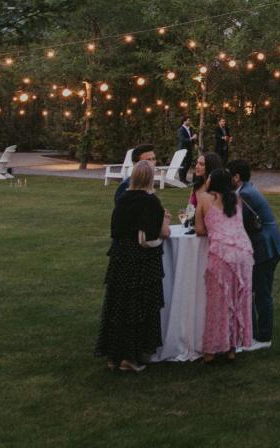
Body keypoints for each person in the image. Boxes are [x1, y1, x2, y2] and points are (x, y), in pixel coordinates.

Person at [96, 160, 170, 372]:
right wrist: (165, 218)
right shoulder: (150, 202)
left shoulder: (123, 199)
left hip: (120, 257)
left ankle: (114, 355)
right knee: (139, 307)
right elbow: (162, 233)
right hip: (141, 260)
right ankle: (131, 355)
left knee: (119, 305)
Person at [195, 168, 254, 363]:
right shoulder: (236, 200)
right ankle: (232, 348)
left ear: (213, 182)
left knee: (218, 304)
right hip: (243, 252)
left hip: (221, 254)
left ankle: (211, 351)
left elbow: (199, 229)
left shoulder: (204, 199)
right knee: (238, 301)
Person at [229, 159, 280, 349]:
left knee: (262, 293)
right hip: (269, 245)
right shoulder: (246, 190)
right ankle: (253, 329)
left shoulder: (245, 195)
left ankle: (264, 336)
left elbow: (236, 222)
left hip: (266, 248)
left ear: (236, 177)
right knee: (256, 289)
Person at [175, 117, 196, 183]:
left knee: (188, 163)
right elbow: (182, 139)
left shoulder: (190, 129)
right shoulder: (181, 129)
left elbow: (190, 138)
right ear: (184, 121)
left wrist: (194, 143)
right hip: (183, 149)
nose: (190, 122)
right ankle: (182, 179)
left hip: (189, 149)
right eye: (188, 120)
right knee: (183, 164)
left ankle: (184, 179)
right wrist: (192, 138)